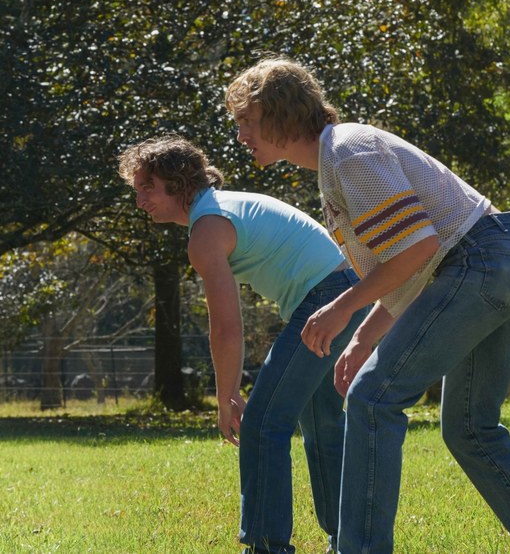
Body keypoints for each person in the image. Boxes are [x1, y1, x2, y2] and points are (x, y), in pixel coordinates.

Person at [225, 57, 510, 554]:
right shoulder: (336, 163)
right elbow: (410, 268)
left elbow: (416, 251)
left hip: (478, 262)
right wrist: (362, 338)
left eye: (247, 121)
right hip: (502, 262)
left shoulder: (347, 150)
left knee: (373, 398)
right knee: (470, 430)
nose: (240, 135)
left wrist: (340, 309)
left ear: (281, 114)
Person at [118, 135, 367, 554]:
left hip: (329, 299)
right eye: (136, 189)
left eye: (148, 187)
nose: (140, 200)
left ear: (178, 184)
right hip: (347, 291)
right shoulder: (221, 209)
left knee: (263, 421)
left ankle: (267, 546)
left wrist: (226, 396)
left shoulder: (208, 229)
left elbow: (227, 329)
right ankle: (351, 543)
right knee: (321, 421)